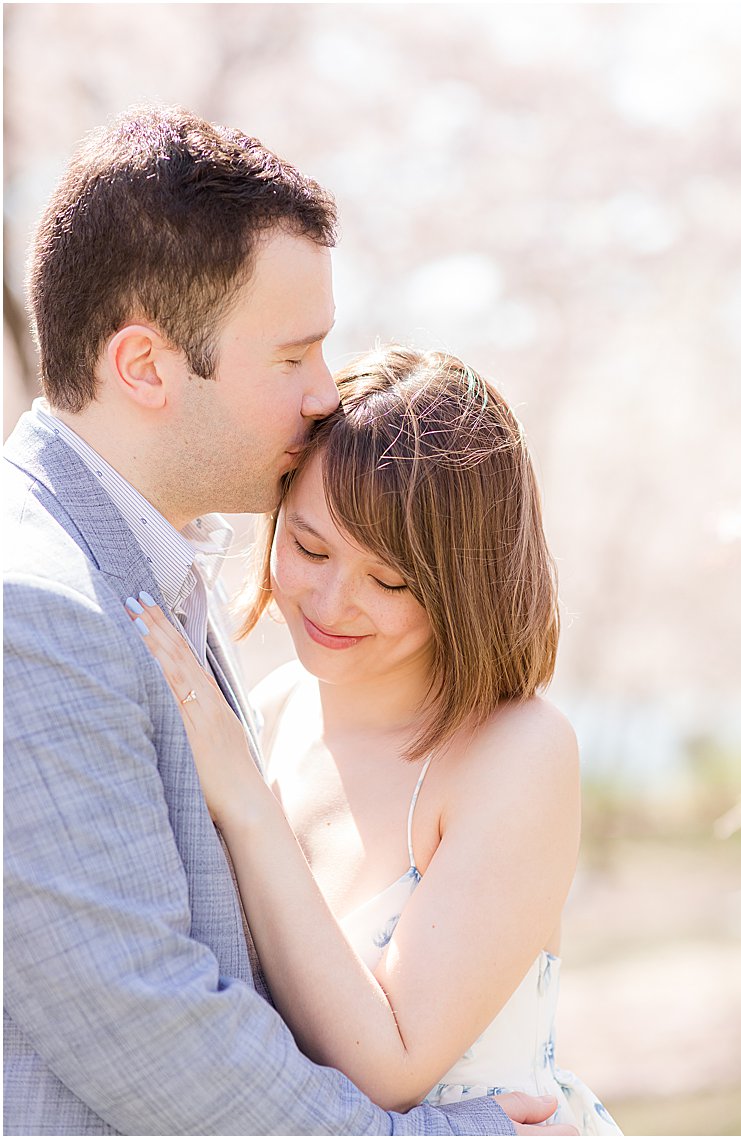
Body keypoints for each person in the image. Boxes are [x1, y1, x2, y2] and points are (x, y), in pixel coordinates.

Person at [3, 107, 568, 1134]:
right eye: (294, 355)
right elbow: (149, 1030)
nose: (323, 396)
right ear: (145, 365)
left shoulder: (150, 571)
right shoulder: (35, 607)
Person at [129, 346, 620, 1133]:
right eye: (310, 546)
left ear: (468, 584)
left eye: (388, 581)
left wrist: (247, 805)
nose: (329, 600)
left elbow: (389, 1066)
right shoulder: (272, 706)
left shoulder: (517, 750)